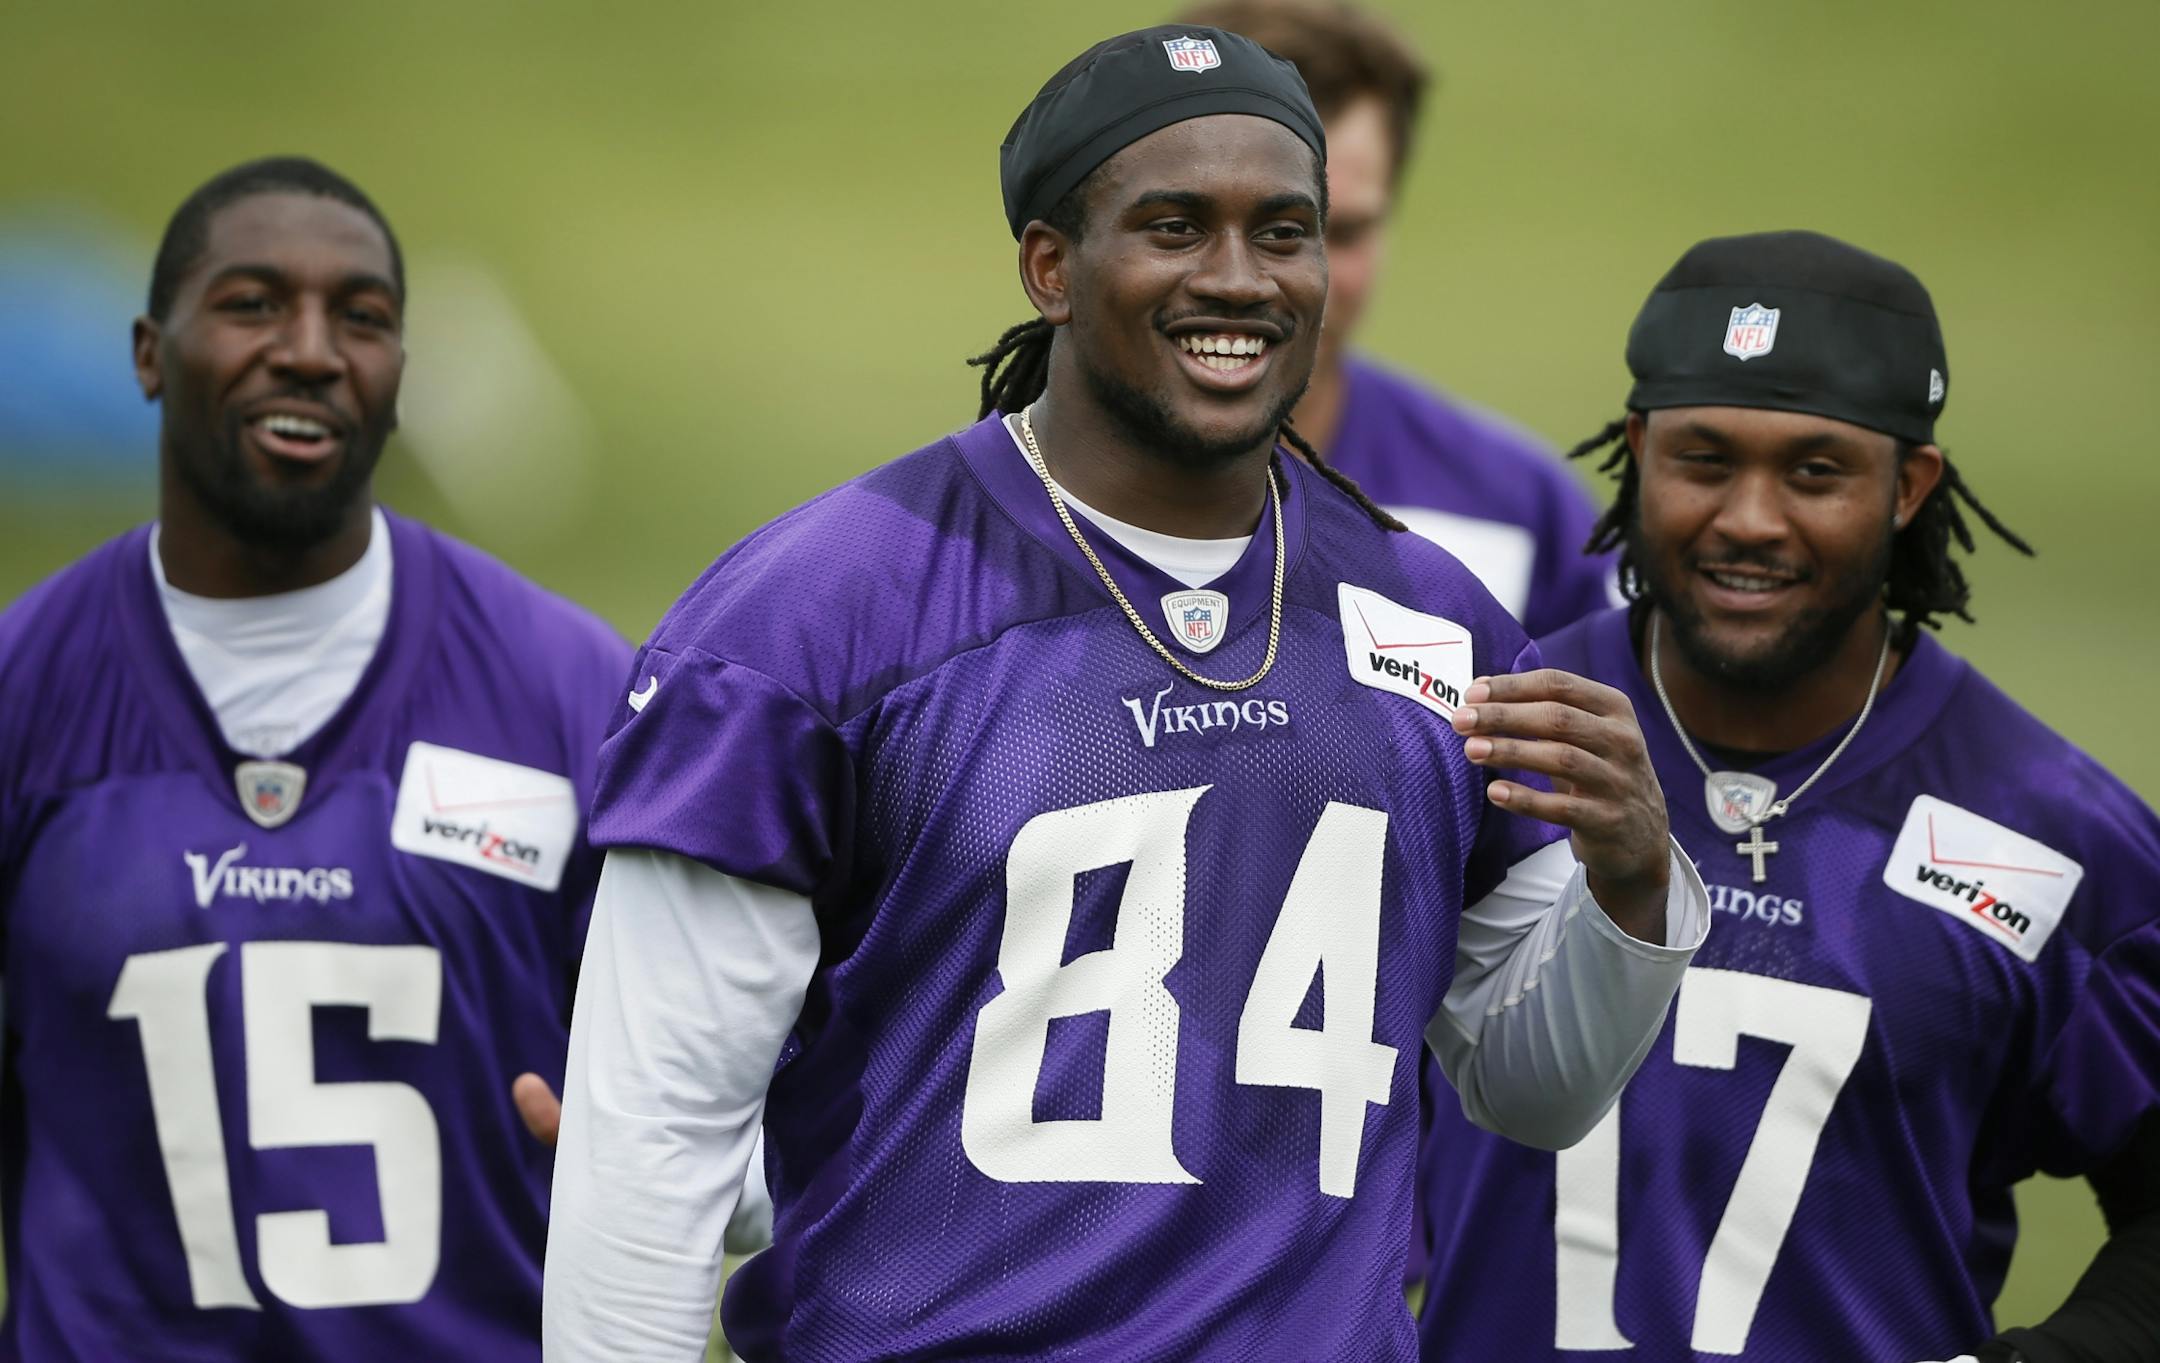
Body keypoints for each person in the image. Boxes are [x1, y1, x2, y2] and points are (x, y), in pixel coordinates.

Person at [544, 26, 1709, 1362]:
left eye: (1283, 232)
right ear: (1051, 266)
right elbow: (656, 1129)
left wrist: (1631, 883)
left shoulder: (1437, 620)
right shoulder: (813, 617)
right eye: (1173, 226)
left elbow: (1533, 1084)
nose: (1237, 278)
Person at [1414, 231, 2160, 1362]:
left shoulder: (2052, 832)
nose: (1751, 519)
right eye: (1704, 460)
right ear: (1638, 451)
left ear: (1910, 485)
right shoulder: (1478, 741)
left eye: (1815, 472)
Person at [0, 157, 629, 1360]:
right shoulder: (26, 695)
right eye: (250, 304)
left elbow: (741, 1087)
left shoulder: (573, 692)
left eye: (364, 318)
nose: (308, 349)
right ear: (146, 352)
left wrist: (680, 1161)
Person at [1176, 0, 1617, 637]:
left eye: (1343, 232)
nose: (1295, 280)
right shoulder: (1004, 508)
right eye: (1271, 229)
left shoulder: (1517, 512)